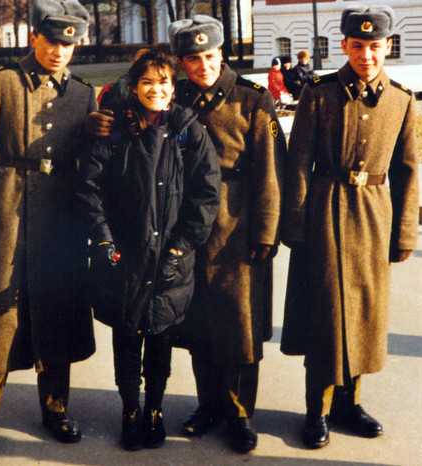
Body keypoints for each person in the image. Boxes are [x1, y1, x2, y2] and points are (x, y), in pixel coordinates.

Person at [280, 3, 419, 450]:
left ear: (388, 46)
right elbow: (299, 161)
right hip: (325, 211)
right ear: (343, 45)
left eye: (375, 46)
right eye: (357, 46)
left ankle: (349, 404)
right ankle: (316, 410)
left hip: (375, 217)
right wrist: (296, 223)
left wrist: (405, 232)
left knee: (362, 316)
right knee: (325, 316)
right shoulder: (318, 94)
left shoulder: (402, 99)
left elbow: (408, 172)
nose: (367, 55)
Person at [0, 0, 96, 463]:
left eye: (69, 43)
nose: (60, 50)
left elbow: (88, 162)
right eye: (52, 40)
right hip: (9, 207)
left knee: (56, 311)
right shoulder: (2, 81)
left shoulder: (82, 93)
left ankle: (55, 411)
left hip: (61, 212)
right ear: (34, 37)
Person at [76, 48, 220, 451]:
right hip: (126, 255)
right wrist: (103, 237)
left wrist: (181, 249)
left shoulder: (188, 130)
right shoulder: (116, 130)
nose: (156, 90)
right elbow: (90, 189)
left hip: (170, 257)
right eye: (147, 83)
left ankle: (154, 409)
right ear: (134, 87)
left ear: (173, 88)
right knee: (126, 334)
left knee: (160, 335)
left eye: (164, 82)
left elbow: (205, 196)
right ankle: (130, 409)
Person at [168, 15, 286, 453]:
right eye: (193, 59)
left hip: (237, 228)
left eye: (210, 56)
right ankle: (209, 405)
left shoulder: (252, 99)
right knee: (197, 321)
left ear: (223, 54)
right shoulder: (174, 98)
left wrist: (266, 231)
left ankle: (239, 414)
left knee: (240, 325)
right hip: (187, 226)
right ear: (182, 63)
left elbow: (273, 171)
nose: (203, 66)